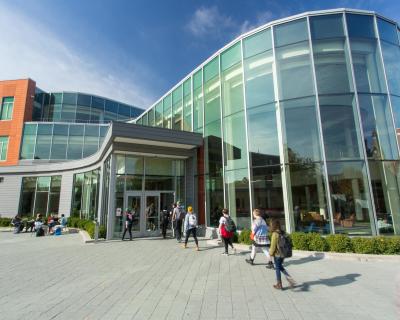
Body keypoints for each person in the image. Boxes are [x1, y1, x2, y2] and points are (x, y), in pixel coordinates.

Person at [269, 219, 295, 290]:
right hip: (283, 253)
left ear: (273, 226)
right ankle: (291, 280)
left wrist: (270, 254)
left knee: (277, 268)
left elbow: (273, 246)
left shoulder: (275, 234)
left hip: (277, 254)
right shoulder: (283, 232)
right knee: (280, 267)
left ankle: (279, 284)